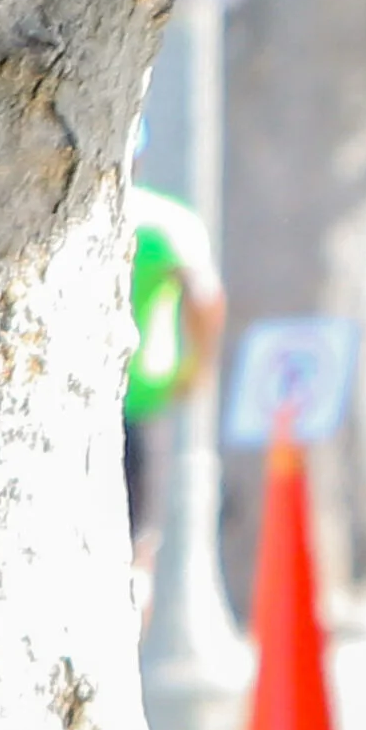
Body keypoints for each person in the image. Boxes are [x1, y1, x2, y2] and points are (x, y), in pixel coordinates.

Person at [123, 148, 226, 628]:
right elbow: (205, 297)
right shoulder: (163, 220)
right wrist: (198, 368)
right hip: (142, 394)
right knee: (138, 548)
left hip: (82, 404)